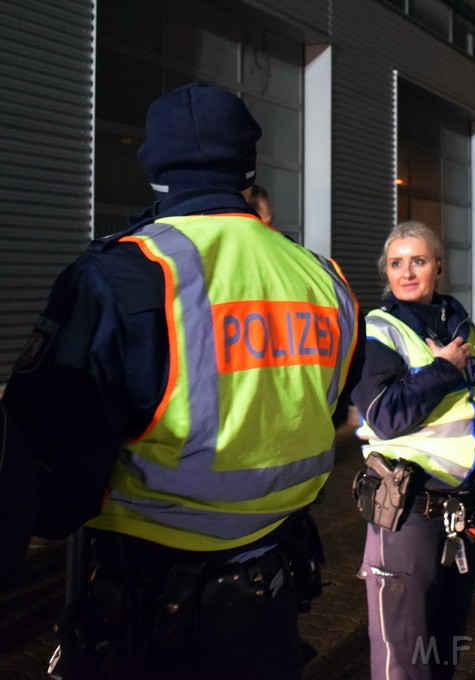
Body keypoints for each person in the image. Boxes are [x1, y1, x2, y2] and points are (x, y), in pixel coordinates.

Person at [0, 82, 363, 680]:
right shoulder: (323, 277)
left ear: (154, 168)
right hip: (271, 599)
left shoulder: (121, 275)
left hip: (150, 619)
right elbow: (329, 406)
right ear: (248, 164)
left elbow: (49, 483)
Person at [351, 220, 475, 680]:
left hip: (463, 513)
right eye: (396, 263)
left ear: (439, 268)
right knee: (403, 659)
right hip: (409, 510)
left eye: (418, 261)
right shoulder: (378, 330)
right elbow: (385, 414)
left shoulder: (458, 324)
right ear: (386, 273)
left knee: (444, 648)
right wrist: (443, 370)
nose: (407, 272)